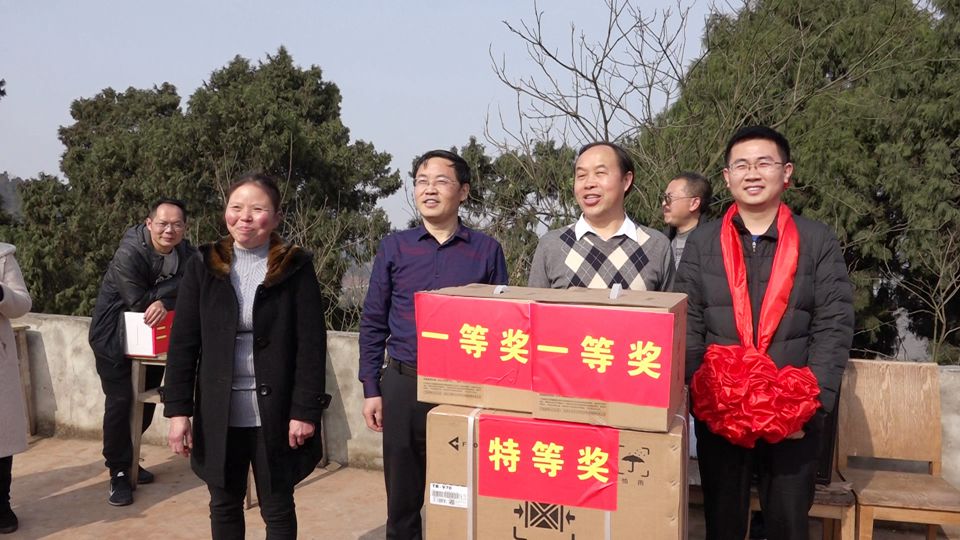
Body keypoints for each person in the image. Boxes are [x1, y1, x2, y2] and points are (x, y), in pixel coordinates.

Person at [675, 126, 854, 540]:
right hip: (721, 411)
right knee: (722, 522)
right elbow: (689, 324)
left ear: (786, 172)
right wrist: (705, 398)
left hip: (794, 413)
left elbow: (834, 324)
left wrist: (811, 406)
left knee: (788, 524)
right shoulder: (702, 242)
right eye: (741, 165)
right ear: (727, 177)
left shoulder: (817, 240)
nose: (752, 173)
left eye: (764, 163)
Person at [163, 173, 329, 539]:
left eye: (257, 209)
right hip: (218, 410)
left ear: (277, 216)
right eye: (236, 207)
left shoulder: (294, 267)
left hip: (276, 411)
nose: (245, 217)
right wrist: (178, 411)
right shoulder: (204, 264)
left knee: (277, 505)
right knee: (223, 504)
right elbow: (183, 343)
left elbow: (311, 345)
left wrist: (305, 411)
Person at [359, 150, 508, 540]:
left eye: (441, 181)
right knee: (402, 498)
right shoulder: (395, 247)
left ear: (463, 191)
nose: (429, 189)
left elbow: (502, 326)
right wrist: (371, 387)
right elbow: (373, 320)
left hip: (465, 390)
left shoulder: (486, 250)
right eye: (421, 181)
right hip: (404, 383)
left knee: (462, 492)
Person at [88, 199, 195, 506]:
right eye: (162, 224)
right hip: (113, 338)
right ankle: (119, 471)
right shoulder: (130, 253)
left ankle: (130, 459)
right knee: (121, 402)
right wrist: (175, 291)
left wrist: (166, 300)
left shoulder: (185, 253)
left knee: (145, 403)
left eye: (176, 224)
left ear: (184, 228)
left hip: (151, 340)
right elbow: (139, 302)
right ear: (149, 224)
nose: (169, 230)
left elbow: (198, 279)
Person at [528, 141, 674, 291]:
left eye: (600, 173)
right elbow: (533, 304)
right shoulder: (551, 245)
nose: (589, 184)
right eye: (581, 175)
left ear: (626, 181)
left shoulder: (656, 245)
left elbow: (671, 305)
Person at [0, 244, 32, 534]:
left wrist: (2, 294)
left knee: (1, 438)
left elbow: (22, 304)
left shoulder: (2, 257)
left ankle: (2, 504)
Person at [662, 171, 712, 267]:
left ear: (694, 203)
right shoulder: (661, 242)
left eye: (669, 197)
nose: (664, 203)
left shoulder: (713, 245)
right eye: (664, 197)